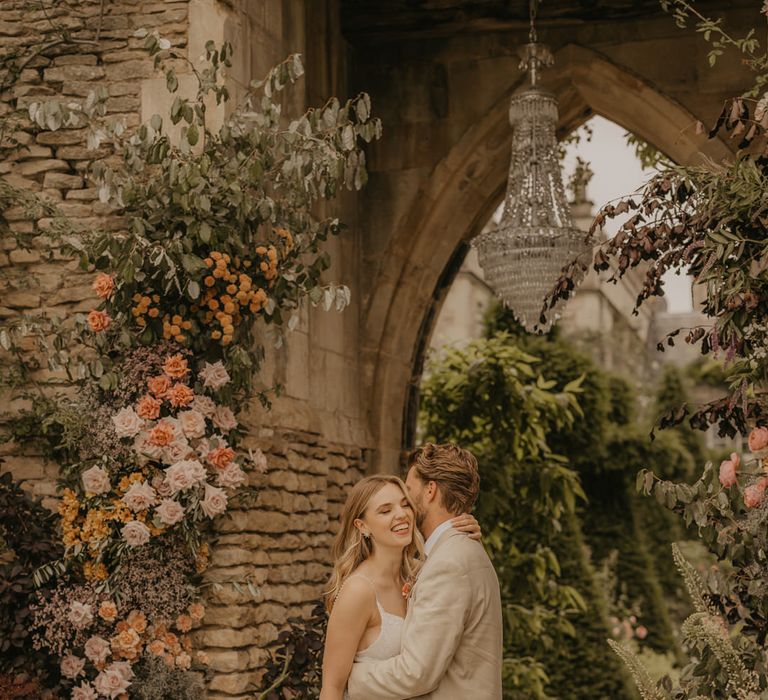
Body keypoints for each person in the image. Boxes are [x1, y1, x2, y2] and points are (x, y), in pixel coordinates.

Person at [346, 443, 503, 700]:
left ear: (430, 490)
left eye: (408, 490)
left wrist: (347, 677)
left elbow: (416, 673)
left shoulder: (449, 564)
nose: (405, 503)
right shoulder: (460, 551)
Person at [319, 471, 483, 700]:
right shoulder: (359, 590)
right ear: (362, 526)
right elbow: (332, 688)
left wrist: (464, 538)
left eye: (405, 505)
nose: (401, 515)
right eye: (385, 510)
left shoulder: (423, 573)